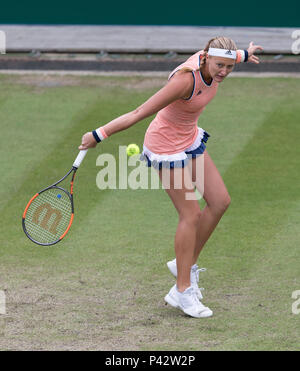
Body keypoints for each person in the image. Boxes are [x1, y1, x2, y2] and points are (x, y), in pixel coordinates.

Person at [79, 36, 263, 318]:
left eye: (229, 66)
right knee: (191, 214)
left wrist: (245, 54)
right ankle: (182, 290)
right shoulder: (184, 82)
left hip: (188, 139)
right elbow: (139, 112)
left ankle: (184, 264)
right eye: (219, 66)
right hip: (165, 146)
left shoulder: (222, 60)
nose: (224, 72)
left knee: (220, 201)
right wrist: (97, 135)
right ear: (204, 57)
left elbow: (233, 56)